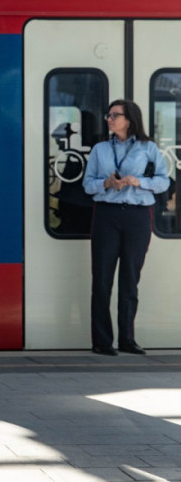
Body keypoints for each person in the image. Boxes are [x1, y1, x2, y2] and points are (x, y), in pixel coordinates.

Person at [82, 99, 169, 356]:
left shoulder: (148, 148)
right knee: (101, 279)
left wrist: (139, 182)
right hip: (106, 215)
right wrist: (107, 183)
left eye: (115, 115)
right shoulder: (100, 149)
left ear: (129, 119)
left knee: (130, 279)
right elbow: (87, 185)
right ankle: (101, 341)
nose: (109, 119)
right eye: (108, 115)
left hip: (137, 216)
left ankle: (127, 339)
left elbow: (163, 181)